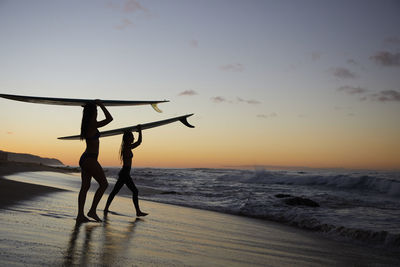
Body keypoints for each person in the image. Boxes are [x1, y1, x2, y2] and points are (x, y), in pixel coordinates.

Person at [77, 100, 113, 223]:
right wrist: (101, 105)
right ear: (92, 113)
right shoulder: (92, 124)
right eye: (96, 111)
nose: (97, 112)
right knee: (104, 184)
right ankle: (92, 210)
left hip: (85, 158)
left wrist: (90, 107)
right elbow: (110, 119)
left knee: (85, 187)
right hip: (90, 159)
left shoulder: (86, 124)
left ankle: (80, 215)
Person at [104, 126, 148, 217]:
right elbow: (139, 142)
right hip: (125, 173)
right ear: (128, 138)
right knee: (135, 191)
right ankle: (138, 211)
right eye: (131, 136)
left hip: (124, 173)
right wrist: (140, 131)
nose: (133, 138)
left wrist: (130, 132)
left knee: (115, 191)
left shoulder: (126, 147)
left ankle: (106, 208)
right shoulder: (127, 147)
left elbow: (137, 142)